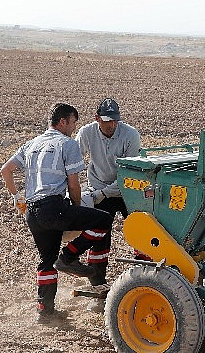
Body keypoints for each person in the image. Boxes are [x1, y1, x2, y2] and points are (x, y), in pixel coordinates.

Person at [0, 102, 114, 323]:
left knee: (45, 260)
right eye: (72, 122)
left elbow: (6, 170)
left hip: (32, 212)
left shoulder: (31, 144)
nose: (73, 128)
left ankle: (45, 312)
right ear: (63, 122)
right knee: (103, 221)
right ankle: (69, 257)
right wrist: (78, 208)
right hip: (54, 207)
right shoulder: (67, 144)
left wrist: (17, 197)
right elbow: (73, 185)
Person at [75, 98, 145, 311]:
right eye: (106, 121)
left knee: (140, 232)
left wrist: (102, 194)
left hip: (126, 190)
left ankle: (142, 283)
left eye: (115, 120)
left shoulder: (131, 135)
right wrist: (80, 193)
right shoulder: (86, 133)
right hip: (97, 188)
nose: (111, 125)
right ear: (96, 119)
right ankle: (97, 288)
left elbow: (128, 175)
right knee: (98, 236)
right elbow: (74, 162)